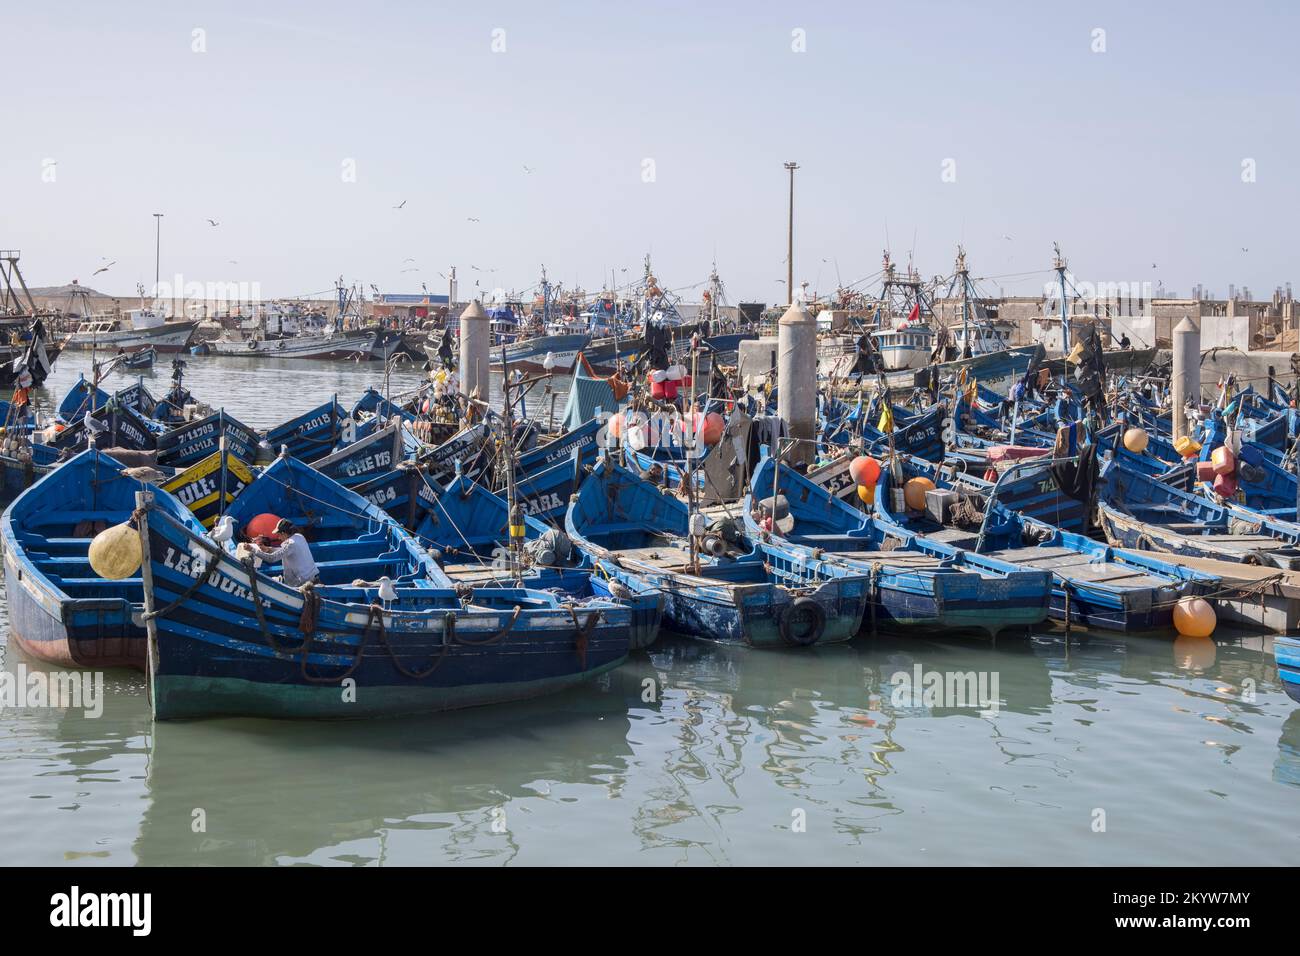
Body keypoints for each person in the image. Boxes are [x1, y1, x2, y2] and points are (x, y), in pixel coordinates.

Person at [250, 519, 319, 588]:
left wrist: (252, 549)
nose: (279, 538)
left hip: (301, 584)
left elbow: (271, 558)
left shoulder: (290, 544)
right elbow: (286, 551)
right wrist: (269, 549)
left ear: (283, 533)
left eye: (279, 535)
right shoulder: (299, 537)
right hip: (312, 578)